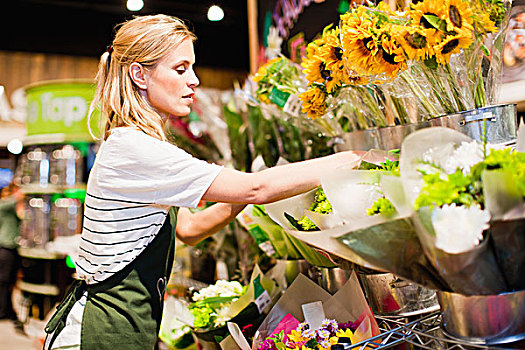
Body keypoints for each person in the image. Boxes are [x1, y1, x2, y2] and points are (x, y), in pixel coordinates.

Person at [43, 14, 363, 350]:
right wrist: (350, 158)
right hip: (100, 331)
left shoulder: (130, 143)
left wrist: (247, 188)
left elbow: (189, 229)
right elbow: (258, 189)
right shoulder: (135, 148)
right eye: (180, 69)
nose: (194, 80)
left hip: (122, 325)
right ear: (139, 74)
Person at [0, 181, 23, 321]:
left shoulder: (10, 209)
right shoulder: (3, 206)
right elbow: (19, 196)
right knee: (3, 281)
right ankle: (2, 312)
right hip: (5, 248)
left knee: (9, 282)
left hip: (12, 248)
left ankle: (7, 310)